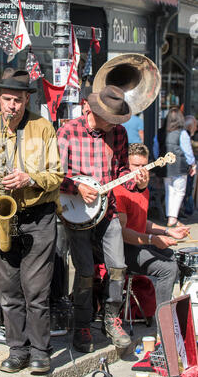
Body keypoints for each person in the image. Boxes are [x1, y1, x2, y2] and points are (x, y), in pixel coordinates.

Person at [0, 69, 63, 374]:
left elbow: (56, 175)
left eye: (19, 100)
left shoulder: (43, 127)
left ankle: (40, 351)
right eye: (8, 100)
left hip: (39, 217)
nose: (13, 107)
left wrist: (29, 179)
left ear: (27, 99)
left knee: (35, 290)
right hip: (3, 217)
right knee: (9, 290)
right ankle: (17, 349)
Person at [57, 85, 149, 352]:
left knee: (118, 267)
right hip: (76, 214)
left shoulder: (118, 133)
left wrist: (138, 182)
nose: (115, 125)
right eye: (111, 119)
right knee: (85, 272)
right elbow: (53, 176)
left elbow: (120, 170)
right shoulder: (68, 132)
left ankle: (111, 319)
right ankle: (82, 325)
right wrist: (76, 187)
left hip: (107, 211)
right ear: (94, 111)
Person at [113, 143, 189, 308]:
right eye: (135, 166)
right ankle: (164, 325)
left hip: (140, 243)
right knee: (168, 269)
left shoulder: (143, 189)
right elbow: (122, 232)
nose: (141, 170)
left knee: (177, 259)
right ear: (126, 166)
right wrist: (152, 239)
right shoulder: (119, 190)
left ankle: (177, 312)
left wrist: (169, 231)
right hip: (123, 249)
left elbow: (141, 222)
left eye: (144, 165)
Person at [159, 107, 196, 227]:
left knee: (169, 191)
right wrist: (192, 164)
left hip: (165, 167)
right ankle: (173, 218)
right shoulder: (182, 133)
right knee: (179, 192)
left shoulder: (160, 132)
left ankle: (171, 217)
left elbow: (155, 149)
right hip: (180, 167)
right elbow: (188, 152)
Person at [182, 115, 197, 215]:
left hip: (183, 166)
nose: (196, 128)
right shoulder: (184, 134)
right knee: (186, 190)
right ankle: (187, 209)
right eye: (195, 125)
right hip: (185, 166)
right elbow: (188, 153)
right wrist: (193, 164)